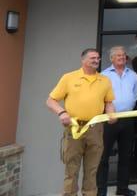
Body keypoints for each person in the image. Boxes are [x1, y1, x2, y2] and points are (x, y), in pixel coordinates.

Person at [46, 48, 116, 196]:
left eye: (98, 58)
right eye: (92, 58)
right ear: (83, 60)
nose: (96, 60)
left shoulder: (104, 80)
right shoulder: (69, 78)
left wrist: (111, 114)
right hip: (74, 128)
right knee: (71, 168)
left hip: (95, 128)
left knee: (92, 169)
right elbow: (51, 101)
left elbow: (109, 102)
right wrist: (62, 112)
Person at [97, 46, 137, 196]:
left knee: (126, 156)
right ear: (112, 58)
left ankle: (122, 188)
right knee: (103, 157)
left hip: (127, 119)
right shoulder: (103, 75)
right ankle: (101, 191)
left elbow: (134, 95)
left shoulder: (133, 75)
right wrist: (110, 112)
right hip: (109, 120)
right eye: (118, 55)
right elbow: (100, 97)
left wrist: (127, 107)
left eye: (123, 55)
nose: (122, 57)